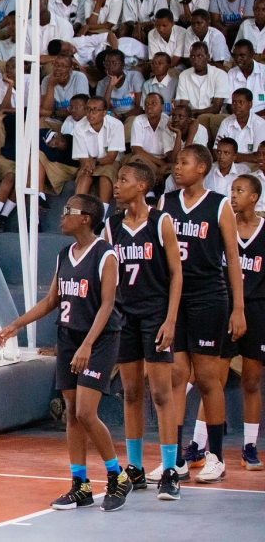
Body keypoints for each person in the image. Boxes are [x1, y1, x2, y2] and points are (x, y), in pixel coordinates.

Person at [0, 194, 131, 511]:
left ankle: (117, 476)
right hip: (68, 336)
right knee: (71, 412)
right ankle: (80, 484)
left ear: (86, 218)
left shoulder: (105, 255)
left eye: (68, 211)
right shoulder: (64, 254)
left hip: (98, 339)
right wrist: (15, 324)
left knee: (85, 411)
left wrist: (87, 345)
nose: (62, 215)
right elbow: (51, 301)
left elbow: (108, 305)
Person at [161, 144, 245, 484]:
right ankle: (177, 458)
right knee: (177, 376)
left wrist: (238, 307)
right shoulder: (165, 203)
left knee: (209, 378)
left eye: (185, 162)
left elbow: (234, 260)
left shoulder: (219, 204)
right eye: (176, 162)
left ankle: (217, 457)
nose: (177, 167)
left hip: (209, 296)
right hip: (174, 298)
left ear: (203, 169)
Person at [104, 163, 184, 498]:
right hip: (125, 317)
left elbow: (177, 274)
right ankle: (134, 468)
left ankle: (169, 471)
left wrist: (170, 320)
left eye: (124, 180)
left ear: (142, 186)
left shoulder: (161, 221)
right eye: (117, 180)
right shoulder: (112, 226)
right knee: (132, 392)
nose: (117, 186)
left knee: (162, 394)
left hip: (155, 315)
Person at [227, 175, 265, 471]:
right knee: (208, 380)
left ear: (254, 197)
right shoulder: (223, 228)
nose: (234, 195)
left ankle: (250, 446)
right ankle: (199, 445)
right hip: (224, 308)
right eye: (232, 190)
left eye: (240, 190)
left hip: (256, 311)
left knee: (250, 380)